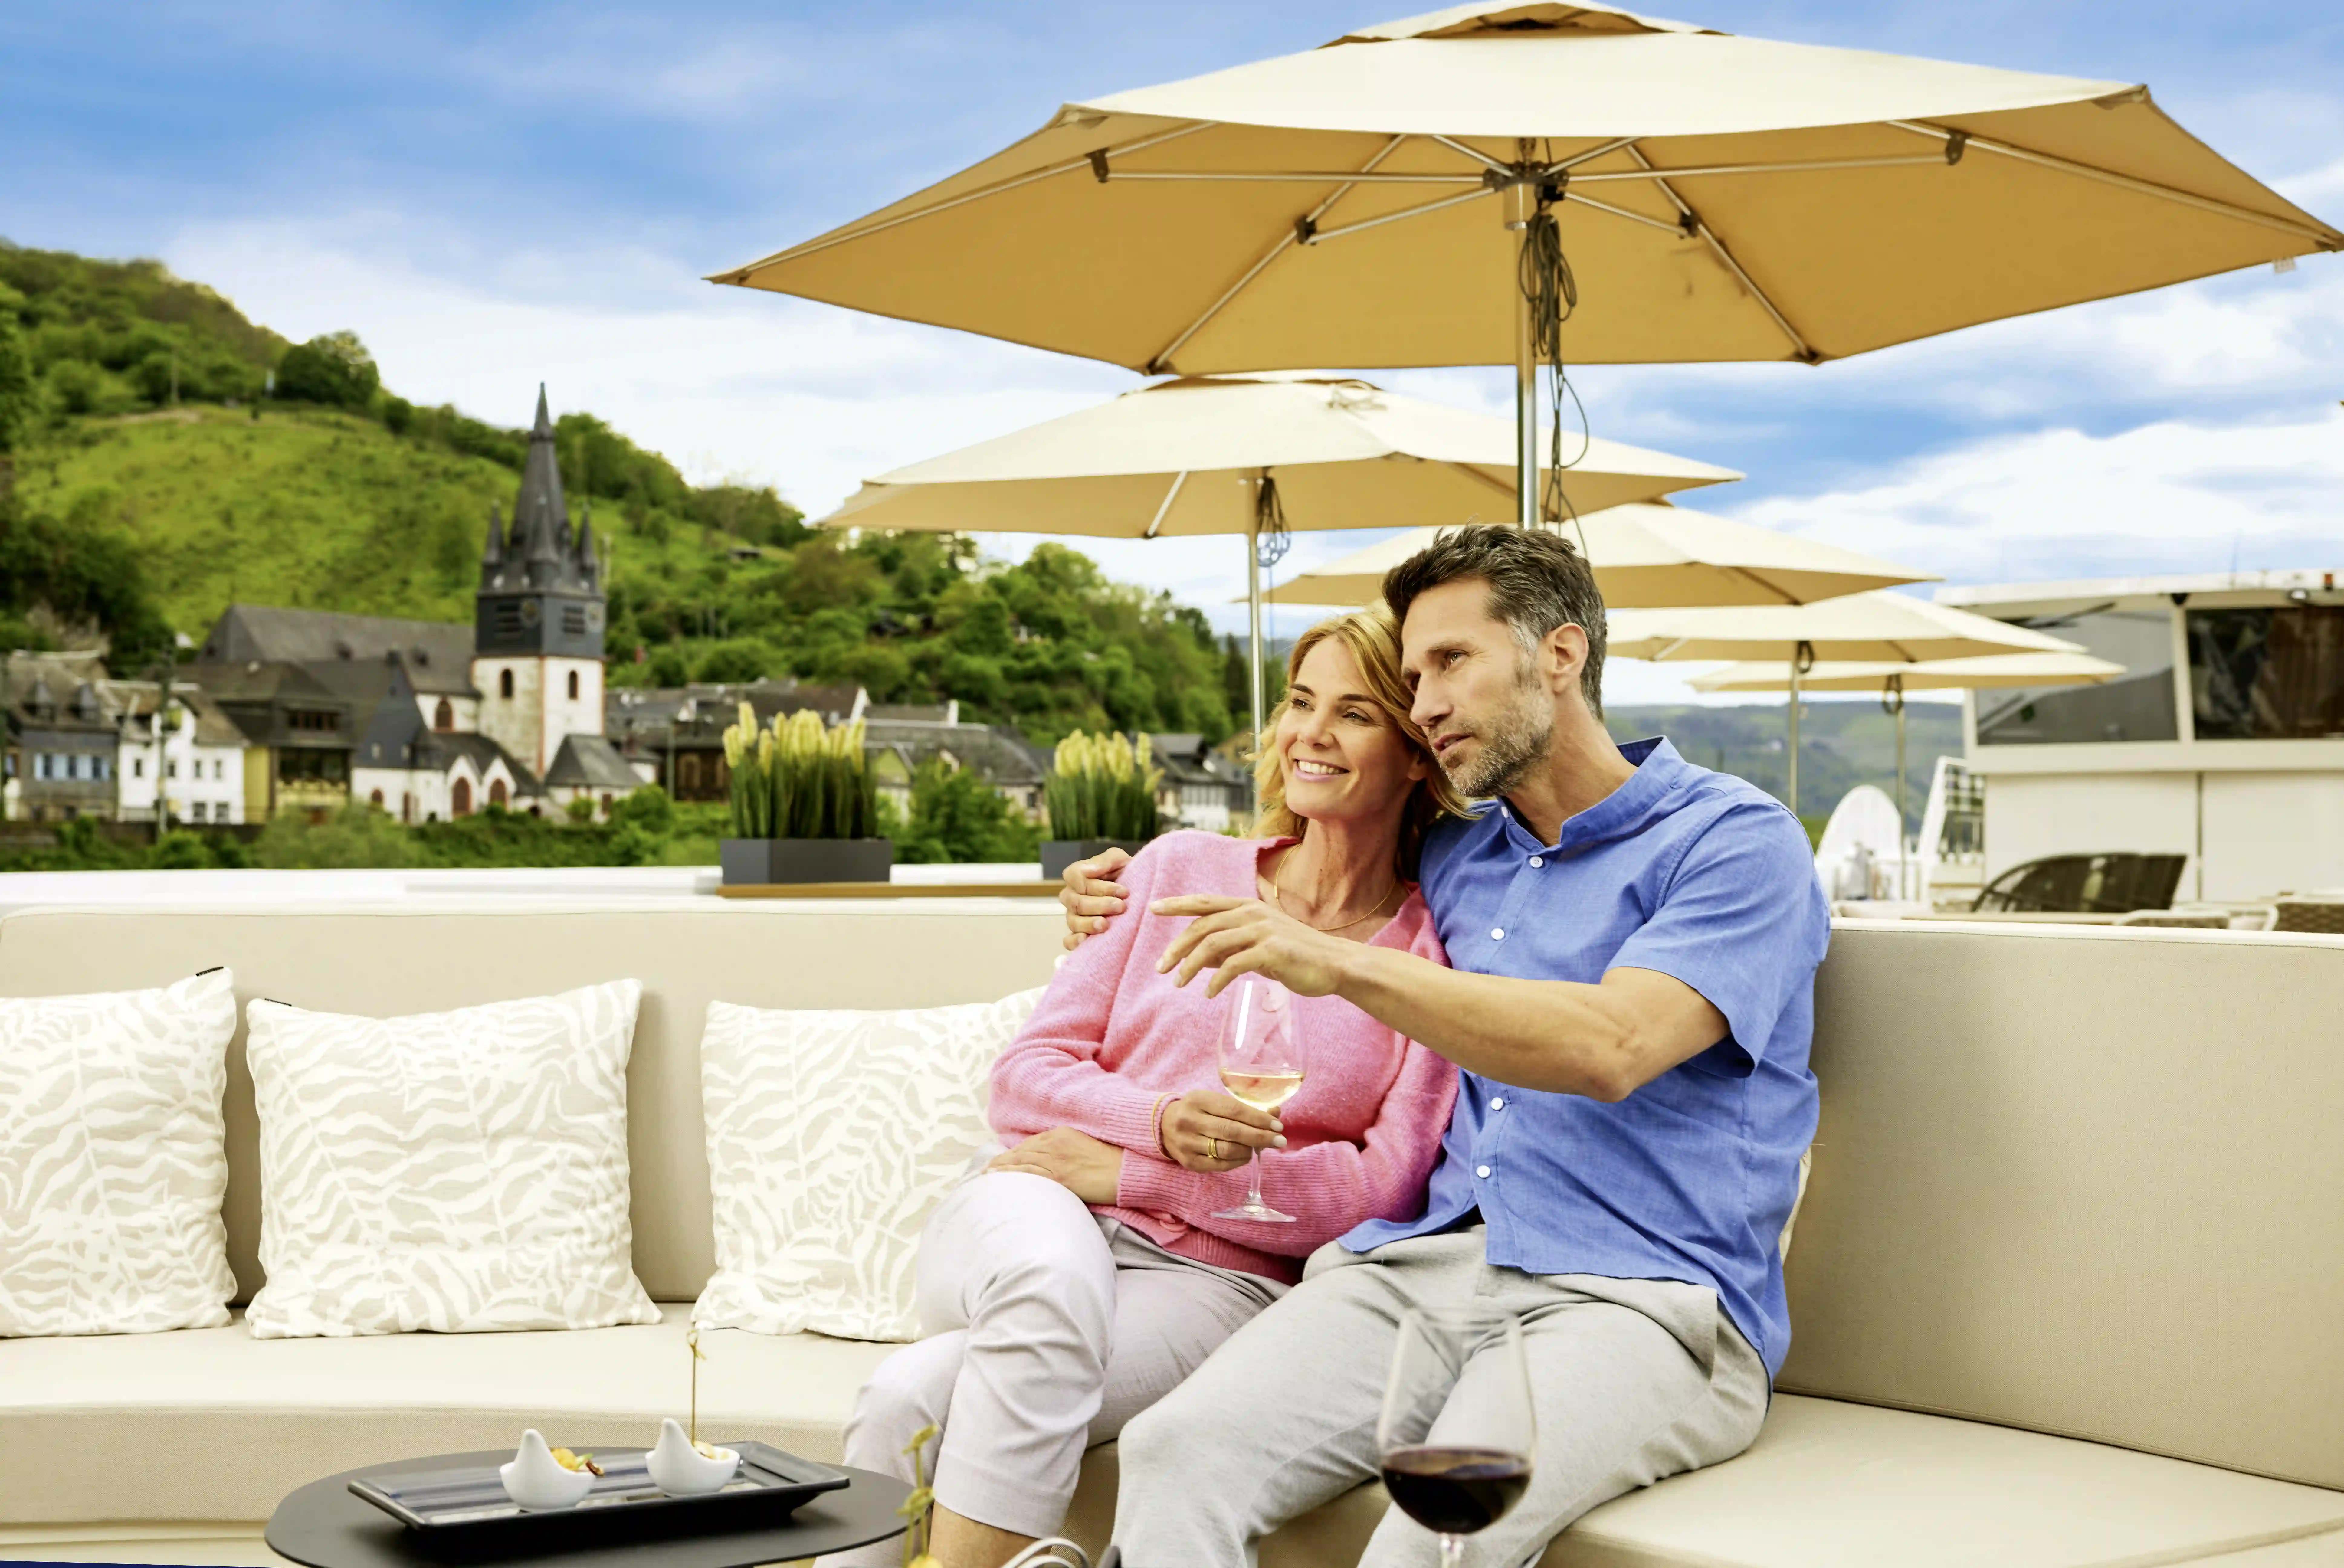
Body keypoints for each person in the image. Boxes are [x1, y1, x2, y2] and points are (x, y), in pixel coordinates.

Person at [1058, 525, 1831, 1568]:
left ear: (1560, 655)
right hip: (1424, 1267)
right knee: (1173, 1450)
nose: (1422, 701)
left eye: (1452, 662)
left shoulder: (1734, 843)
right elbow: (1320, 845)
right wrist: (1105, 895)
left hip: (1646, 1300)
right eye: (1414, 673)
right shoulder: (1462, 853)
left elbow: (1614, 1044)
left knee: (1436, 1527)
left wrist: (1341, 967)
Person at [823, 608, 1468, 1568]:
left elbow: (1381, 1189)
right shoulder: (1173, 868)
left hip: (1218, 1277)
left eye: (1355, 712)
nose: (1311, 734)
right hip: (1034, 1199)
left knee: (909, 1397)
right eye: (1299, 703)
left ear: (1418, 756)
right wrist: (1158, 1123)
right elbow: (1026, 1078)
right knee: (1045, 1288)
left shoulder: (1423, 959)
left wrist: (1136, 1174)